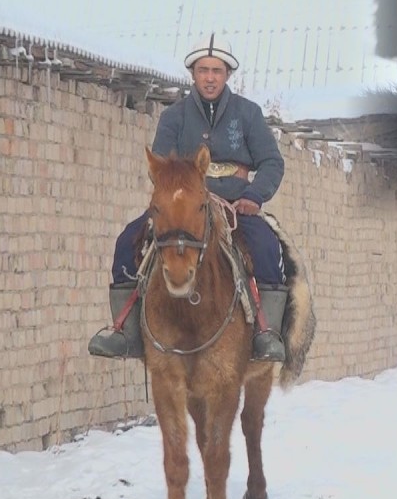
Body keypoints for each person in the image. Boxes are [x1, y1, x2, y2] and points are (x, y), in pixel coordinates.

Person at [88, 33, 287, 362]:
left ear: (227, 75)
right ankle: (127, 331)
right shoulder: (174, 117)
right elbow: (162, 168)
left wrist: (253, 195)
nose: (210, 77)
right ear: (193, 74)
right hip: (183, 208)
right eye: (203, 70)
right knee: (127, 241)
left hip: (237, 207)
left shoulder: (248, 114)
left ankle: (267, 335)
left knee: (267, 248)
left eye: (217, 71)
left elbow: (271, 162)